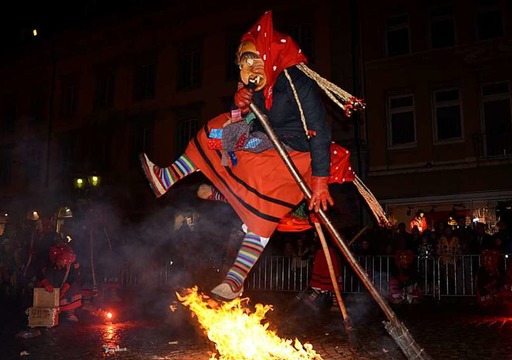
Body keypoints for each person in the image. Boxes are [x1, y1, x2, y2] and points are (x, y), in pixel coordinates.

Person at [139, 10, 363, 301]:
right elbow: (248, 121)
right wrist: (240, 105)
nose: (248, 67)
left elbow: (319, 131)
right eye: (243, 62)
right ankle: (167, 177)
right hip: (267, 144)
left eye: (253, 59)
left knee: (263, 213)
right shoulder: (261, 85)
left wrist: (320, 181)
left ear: (269, 55)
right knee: (220, 128)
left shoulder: (297, 82)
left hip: (297, 156)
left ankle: (235, 280)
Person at [36, 243, 82, 322]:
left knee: (74, 287)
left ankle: (68, 312)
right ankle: (46, 314)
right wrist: (45, 283)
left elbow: (72, 275)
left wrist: (65, 287)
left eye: (67, 263)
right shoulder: (46, 259)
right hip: (49, 285)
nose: (64, 265)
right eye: (62, 262)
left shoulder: (71, 263)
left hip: (62, 283)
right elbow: (36, 270)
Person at [299, 244, 342, 314]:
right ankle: (310, 299)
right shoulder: (324, 251)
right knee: (326, 287)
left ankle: (335, 305)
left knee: (330, 287)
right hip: (326, 272)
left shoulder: (327, 250)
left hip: (328, 271)